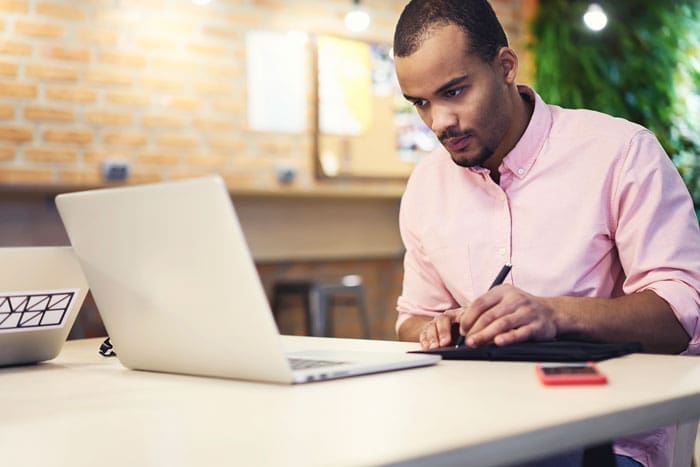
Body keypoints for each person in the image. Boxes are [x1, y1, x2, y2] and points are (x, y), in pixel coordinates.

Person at [391, 1, 700, 466]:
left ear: (506, 67)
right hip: (473, 430)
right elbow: (412, 320)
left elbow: (681, 315)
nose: (438, 123)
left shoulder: (620, 153)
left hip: (606, 436)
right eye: (421, 103)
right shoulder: (426, 186)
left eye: (454, 92)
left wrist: (552, 315)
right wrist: (441, 326)